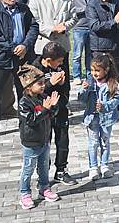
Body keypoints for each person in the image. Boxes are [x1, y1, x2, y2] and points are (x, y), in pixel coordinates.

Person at [0, 0, 40, 138]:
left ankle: (26, 125)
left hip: (23, 57)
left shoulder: (23, 8)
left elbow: (34, 27)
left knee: (26, 92)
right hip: (1, 59)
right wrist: (14, 47)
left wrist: (25, 45)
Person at [31, 42, 76, 185]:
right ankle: (43, 174)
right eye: (59, 61)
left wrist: (62, 85)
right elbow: (32, 93)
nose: (61, 63)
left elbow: (67, 88)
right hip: (43, 112)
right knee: (45, 144)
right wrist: (49, 83)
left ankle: (61, 170)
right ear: (48, 60)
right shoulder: (34, 68)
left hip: (60, 110)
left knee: (63, 141)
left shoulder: (61, 67)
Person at [17, 64, 61, 210]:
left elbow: (50, 114)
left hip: (44, 140)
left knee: (43, 167)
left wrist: (53, 107)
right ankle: (25, 193)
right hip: (31, 143)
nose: (43, 86)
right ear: (29, 86)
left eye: (43, 83)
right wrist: (45, 108)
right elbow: (31, 120)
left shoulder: (43, 97)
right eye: (40, 83)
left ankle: (44, 188)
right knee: (28, 169)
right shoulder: (24, 103)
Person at [27, 0, 76, 93]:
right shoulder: (35, 0)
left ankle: (64, 102)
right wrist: (52, 29)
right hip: (43, 44)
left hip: (62, 44)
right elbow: (34, 22)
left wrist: (64, 26)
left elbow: (74, 18)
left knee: (62, 76)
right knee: (42, 78)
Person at [78, 53, 119, 180]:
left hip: (106, 119)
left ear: (106, 70)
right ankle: (93, 167)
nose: (94, 73)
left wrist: (105, 106)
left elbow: (117, 99)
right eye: (92, 70)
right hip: (92, 118)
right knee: (93, 143)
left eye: (97, 70)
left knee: (105, 142)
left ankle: (105, 165)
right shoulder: (90, 82)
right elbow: (81, 100)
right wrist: (84, 90)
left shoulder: (112, 83)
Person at [86, 0, 119, 71]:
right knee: (101, 76)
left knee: (114, 76)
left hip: (115, 45)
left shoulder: (116, 2)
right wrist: (114, 21)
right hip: (100, 47)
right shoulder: (92, 5)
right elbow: (94, 26)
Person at [68, 0, 95, 84]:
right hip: (79, 27)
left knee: (90, 54)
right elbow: (73, 10)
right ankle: (77, 75)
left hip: (91, 26)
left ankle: (90, 76)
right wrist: (87, 9)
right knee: (77, 54)